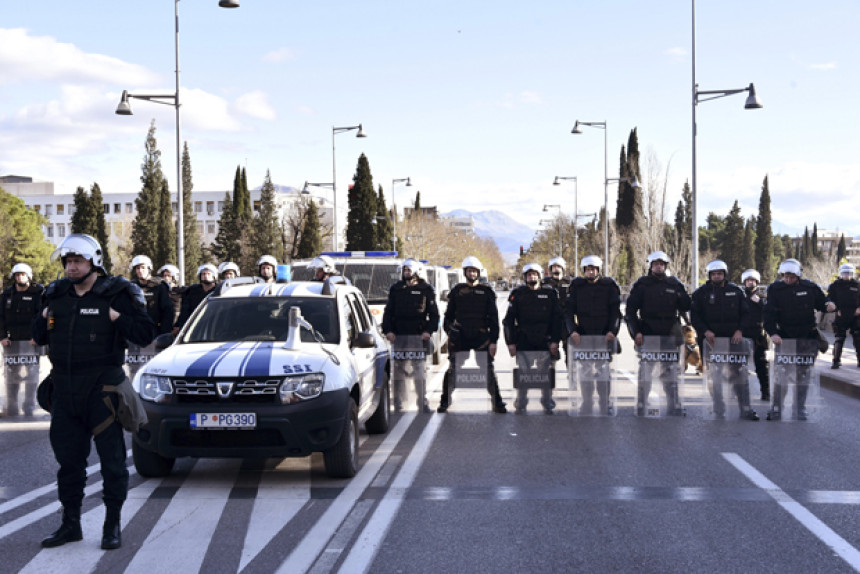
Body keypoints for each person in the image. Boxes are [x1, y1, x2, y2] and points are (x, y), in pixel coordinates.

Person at [32, 234, 156, 550]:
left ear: (93, 262)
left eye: (77, 261)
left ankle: (111, 525)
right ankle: (70, 525)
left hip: (103, 391)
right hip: (64, 389)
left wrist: (117, 317)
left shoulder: (118, 293)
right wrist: (43, 317)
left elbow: (144, 334)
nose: (71, 267)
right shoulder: (55, 294)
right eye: (68, 262)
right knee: (69, 464)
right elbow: (38, 336)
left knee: (113, 463)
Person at [764, 258, 832, 420]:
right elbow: (768, 315)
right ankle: (777, 408)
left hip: (807, 338)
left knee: (803, 375)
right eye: (785, 276)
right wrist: (772, 332)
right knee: (783, 375)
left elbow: (823, 303)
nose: (788, 279)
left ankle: (799, 408)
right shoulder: (775, 289)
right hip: (784, 338)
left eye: (792, 277)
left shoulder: (810, 287)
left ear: (798, 275)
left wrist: (830, 304)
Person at [437, 256, 507, 414]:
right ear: (465, 272)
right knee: (453, 369)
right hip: (460, 336)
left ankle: (498, 402)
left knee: (488, 369)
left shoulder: (487, 292)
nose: (472, 273)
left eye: (474, 271)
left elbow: (494, 319)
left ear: (478, 272)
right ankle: (445, 400)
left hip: (481, 337)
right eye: (469, 271)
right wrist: (450, 332)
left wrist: (494, 341)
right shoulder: (457, 291)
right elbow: (448, 317)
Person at [625, 251, 691, 416]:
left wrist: (680, 294)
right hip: (648, 332)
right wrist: (636, 332)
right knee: (646, 372)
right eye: (655, 264)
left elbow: (687, 305)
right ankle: (641, 405)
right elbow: (630, 311)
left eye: (661, 264)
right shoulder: (642, 284)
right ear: (651, 266)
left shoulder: (674, 283)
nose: (659, 267)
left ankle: (673, 405)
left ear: (666, 266)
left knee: (670, 373)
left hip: (669, 334)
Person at [691, 260, 758, 420]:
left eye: (719, 274)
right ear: (709, 275)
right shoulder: (701, 293)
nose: (716, 276)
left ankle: (745, 409)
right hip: (712, 342)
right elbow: (694, 316)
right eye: (713, 274)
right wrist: (705, 331)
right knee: (715, 376)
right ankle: (718, 408)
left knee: (740, 375)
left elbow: (746, 314)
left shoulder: (736, 291)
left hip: (734, 341)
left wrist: (740, 330)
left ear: (724, 274)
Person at [564, 255, 621, 415]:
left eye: (594, 269)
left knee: (603, 371)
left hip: (604, 335)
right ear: (584, 271)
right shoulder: (577, 287)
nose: (591, 272)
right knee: (585, 371)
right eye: (588, 269)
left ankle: (605, 403)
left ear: (598, 270)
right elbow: (568, 312)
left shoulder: (608, 286)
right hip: (584, 335)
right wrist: (572, 331)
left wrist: (612, 331)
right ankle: (587, 403)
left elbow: (616, 312)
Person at [381, 258, 439, 412]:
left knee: (419, 370)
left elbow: (434, 316)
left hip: (418, 338)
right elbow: (388, 313)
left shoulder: (426, 290)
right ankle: (398, 402)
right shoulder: (396, 289)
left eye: (409, 270)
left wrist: (428, 332)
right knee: (398, 370)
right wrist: (388, 331)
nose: (406, 272)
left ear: (416, 272)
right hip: (399, 337)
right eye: (405, 270)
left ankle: (422, 402)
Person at [504, 263, 563, 414]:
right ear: (525, 277)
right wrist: (510, 342)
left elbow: (557, 320)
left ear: (540, 276)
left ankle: (547, 400)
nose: (532, 277)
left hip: (545, 340)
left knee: (545, 373)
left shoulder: (550, 294)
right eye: (529, 275)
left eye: (534, 274)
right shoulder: (518, 294)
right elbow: (508, 321)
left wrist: (555, 341)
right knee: (524, 374)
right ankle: (521, 400)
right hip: (524, 340)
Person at [1, 263, 44, 417]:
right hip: (11, 342)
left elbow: (43, 317)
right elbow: (1, 318)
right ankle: (12, 406)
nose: (20, 277)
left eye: (23, 274)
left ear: (29, 276)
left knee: (32, 375)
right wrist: (3, 337)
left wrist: (37, 337)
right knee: (11, 374)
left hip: (31, 342)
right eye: (17, 274)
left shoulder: (38, 293)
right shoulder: (7, 294)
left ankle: (29, 406)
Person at [741, 269, 770, 400]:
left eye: (752, 280)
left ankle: (766, 392)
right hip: (743, 335)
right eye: (748, 281)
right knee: (740, 365)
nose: (750, 283)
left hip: (759, 335)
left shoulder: (763, 296)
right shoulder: (740, 297)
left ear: (757, 282)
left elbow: (770, 311)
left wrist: (759, 302)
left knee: (762, 365)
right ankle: (739, 392)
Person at [129, 255, 174, 336]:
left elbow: (168, 311)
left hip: (156, 331)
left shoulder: (159, 286)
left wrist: (164, 333)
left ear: (149, 269)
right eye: (137, 268)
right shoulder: (131, 286)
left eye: (143, 268)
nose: (140, 271)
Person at [826, 263, 860, 369]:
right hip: (841, 314)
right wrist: (835, 309)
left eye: (849, 273)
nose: (847, 275)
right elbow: (829, 299)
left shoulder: (857, 285)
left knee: (858, 338)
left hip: (856, 315)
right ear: (841, 273)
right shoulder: (835, 285)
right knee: (839, 338)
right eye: (845, 273)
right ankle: (836, 360)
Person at [173, 264, 218, 334]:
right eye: (203, 274)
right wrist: (180, 326)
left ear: (214, 276)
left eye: (208, 274)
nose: (205, 276)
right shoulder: (193, 291)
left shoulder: (219, 291)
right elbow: (185, 311)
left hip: (214, 326)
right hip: (195, 327)